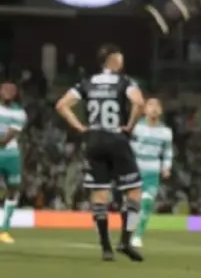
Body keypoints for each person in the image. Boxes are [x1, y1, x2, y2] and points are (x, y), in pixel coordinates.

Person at [54, 44, 146, 261]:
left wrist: (79, 127)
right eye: (120, 57)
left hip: (94, 140)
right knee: (133, 191)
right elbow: (139, 102)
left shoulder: (87, 82)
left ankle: (105, 247)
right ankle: (125, 240)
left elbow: (61, 105)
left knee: (100, 194)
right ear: (113, 59)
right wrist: (130, 126)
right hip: (116, 138)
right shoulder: (124, 81)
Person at [130, 98, 173, 248]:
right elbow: (128, 147)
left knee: (147, 203)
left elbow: (167, 152)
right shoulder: (136, 127)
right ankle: (127, 232)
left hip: (152, 172)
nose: (154, 108)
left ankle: (138, 235)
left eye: (157, 105)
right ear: (144, 110)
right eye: (150, 105)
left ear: (160, 111)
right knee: (132, 205)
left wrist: (166, 167)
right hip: (135, 169)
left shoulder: (166, 132)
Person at [0, 81, 26, 244]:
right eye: (5, 89)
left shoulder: (19, 113)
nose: (8, 92)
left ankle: (4, 230)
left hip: (10, 155)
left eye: (11, 90)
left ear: (15, 94)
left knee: (13, 189)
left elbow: (6, 139)